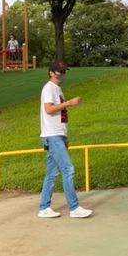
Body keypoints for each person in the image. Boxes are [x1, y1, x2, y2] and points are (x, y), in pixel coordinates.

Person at [38, 60, 92, 219]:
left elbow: (58, 114)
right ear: (51, 73)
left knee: (51, 173)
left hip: (57, 135)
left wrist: (64, 136)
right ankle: (74, 208)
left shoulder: (57, 89)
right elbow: (48, 109)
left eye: (64, 71)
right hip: (52, 135)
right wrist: (69, 103)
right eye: (59, 71)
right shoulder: (49, 88)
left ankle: (44, 207)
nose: (62, 74)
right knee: (68, 169)